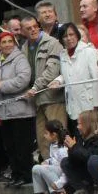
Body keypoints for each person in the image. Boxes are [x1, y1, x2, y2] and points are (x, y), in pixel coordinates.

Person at [0, 32, 35, 188]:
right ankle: (16, 174)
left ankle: (26, 176)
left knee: (22, 147)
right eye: (4, 42)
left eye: (10, 41)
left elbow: (23, 80)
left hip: (21, 111)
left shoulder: (20, 59)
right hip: (4, 112)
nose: (7, 44)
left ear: (14, 43)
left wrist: (0, 85)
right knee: (10, 147)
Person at [21, 15, 67, 160]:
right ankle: (48, 167)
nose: (33, 30)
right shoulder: (24, 48)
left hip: (53, 98)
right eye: (29, 28)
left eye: (35, 26)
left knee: (59, 136)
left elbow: (52, 71)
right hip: (37, 100)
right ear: (22, 31)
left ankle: (63, 168)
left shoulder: (53, 43)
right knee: (43, 139)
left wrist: (35, 87)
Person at [51, 23, 98, 136]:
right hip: (73, 106)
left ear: (77, 35)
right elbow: (66, 74)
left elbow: (97, 78)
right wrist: (58, 81)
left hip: (89, 105)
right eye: (65, 36)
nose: (69, 38)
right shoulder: (63, 54)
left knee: (92, 137)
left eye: (71, 34)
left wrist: (97, 105)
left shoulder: (88, 51)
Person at [62, 109, 98, 194]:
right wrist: (71, 149)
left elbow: (89, 157)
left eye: (79, 124)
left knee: (93, 159)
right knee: (65, 161)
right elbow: (76, 160)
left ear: (88, 124)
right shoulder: (82, 138)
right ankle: (82, 189)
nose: (77, 127)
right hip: (88, 174)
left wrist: (74, 147)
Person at [31, 120, 68, 194]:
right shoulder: (53, 145)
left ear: (54, 135)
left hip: (62, 177)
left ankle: (61, 192)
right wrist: (47, 161)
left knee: (44, 168)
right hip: (55, 171)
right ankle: (44, 193)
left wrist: (59, 183)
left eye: (46, 133)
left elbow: (66, 170)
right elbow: (54, 159)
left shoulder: (63, 149)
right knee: (36, 168)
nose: (44, 136)